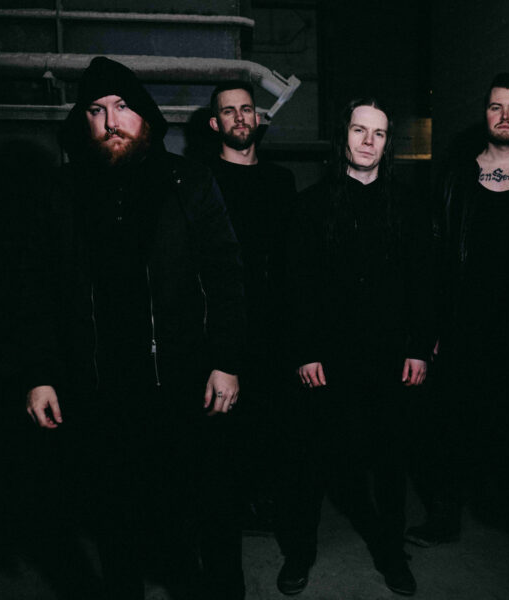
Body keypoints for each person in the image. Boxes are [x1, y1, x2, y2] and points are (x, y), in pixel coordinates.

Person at [21, 56, 247, 600]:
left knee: (208, 512)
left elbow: (225, 274)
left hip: (185, 383)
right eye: (96, 110)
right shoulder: (62, 190)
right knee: (114, 518)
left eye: (122, 107)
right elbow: (37, 290)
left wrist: (226, 360)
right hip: (102, 390)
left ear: (144, 114)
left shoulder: (187, 180)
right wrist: (40, 374)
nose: (110, 122)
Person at [278, 97, 435, 596]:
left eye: (379, 133)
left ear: (388, 143)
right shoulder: (309, 205)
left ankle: (391, 555)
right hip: (326, 360)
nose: (369, 141)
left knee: (390, 464)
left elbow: (425, 283)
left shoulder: (408, 205)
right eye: (359, 130)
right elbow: (294, 286)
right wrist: (305, 351)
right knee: (311, 461)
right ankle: (299, 553)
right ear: (342, 135)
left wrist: (418, 348)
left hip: (390, 359)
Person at [405, 73, 509, 546]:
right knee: (448, 429)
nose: (505, 116)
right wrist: (429, 327)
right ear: (484, 112)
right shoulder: (456, 176)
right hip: (462, 327)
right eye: (496, 107)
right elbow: (432, 259)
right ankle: (444, 517)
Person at [208, 81, 297, 533]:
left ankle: (267, 501)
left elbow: (293, 259)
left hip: (273, 324)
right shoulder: (200, 181)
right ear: (214, 123)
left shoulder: (281, 181)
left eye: (247, 109)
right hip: (221, 323)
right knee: (224, 423)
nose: (240, 117)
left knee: (273, 419)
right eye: (229, 111)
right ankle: (230, 506)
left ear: (258, 119)